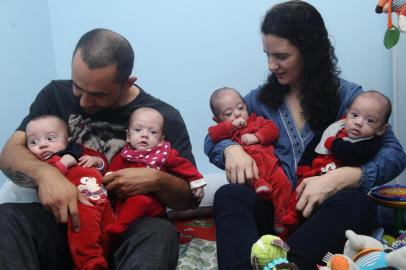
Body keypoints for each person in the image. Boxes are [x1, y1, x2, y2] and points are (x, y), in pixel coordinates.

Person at [204, 1, 406, 269]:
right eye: (267, 55)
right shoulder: (258, 101)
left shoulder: (350, 99)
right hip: (272, 213)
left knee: (358, 203)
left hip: (321, 217)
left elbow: (394, 153)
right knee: (229, 194)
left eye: (281, 56)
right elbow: (213, 139)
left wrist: (348, 176)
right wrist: (231, 149)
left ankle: (288, 265)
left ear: (310, 51)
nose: (271, 65)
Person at [0, 28, 198, 270]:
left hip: (127, 227)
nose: (83, 101)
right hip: (65, 220)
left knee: (161, 233)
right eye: (77, 87)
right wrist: (46, 175)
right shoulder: (54, 94)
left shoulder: (161, 117)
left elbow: (190, 198)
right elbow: (10, 154)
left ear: (127, 83)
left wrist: (157, 179)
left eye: (97, 94)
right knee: (6, 217)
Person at [25, 114, 114, 270]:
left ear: (68, 139)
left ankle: (108, 259)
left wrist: (96, 162)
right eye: (34, 142)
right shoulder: (44, 165)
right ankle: (89, 262)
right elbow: (46, 183)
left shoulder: (80, 151)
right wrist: (63, 164)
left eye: (50, 138)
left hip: (102, 201)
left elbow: (103, 161)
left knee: (111, 233)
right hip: (79, 204)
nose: (42, 145)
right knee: (83, 231)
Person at [208, 87, 296, 238]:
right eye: (228, 114)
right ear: (218, 120)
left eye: (240, 108)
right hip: (252, 173)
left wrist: (257, 137)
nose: (237, 114)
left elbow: (272, 130)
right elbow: (212, 136)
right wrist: (230, 127)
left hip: (272, 167)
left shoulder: (257, 121)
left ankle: (281, 219)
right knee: (244, 183)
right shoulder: (226, 131)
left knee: (282, 184)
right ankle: (259, 185)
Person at [106, 107, 206, 237]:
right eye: (137, 130)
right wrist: (109, 176)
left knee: (140, 200)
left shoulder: (165, 154)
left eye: (152, 132)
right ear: (128, 136)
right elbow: (113, 169)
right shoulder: (124, 154)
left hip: (151, 205)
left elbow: (184, 167)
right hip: (123, 201)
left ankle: (120, 226)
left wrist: (196, 181)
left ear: (161, 140)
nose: (144, 134)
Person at [297, 90, 392, 180]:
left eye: (370, 120)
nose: (358, 122)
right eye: (354, 115)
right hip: (313, 175)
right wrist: (304, 166)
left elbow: (353, 156)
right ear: (347, 114)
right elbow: (313, 145)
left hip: (340, 184)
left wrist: (334, 143)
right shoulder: (336, 127)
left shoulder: (370, 144)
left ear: (381, 129)